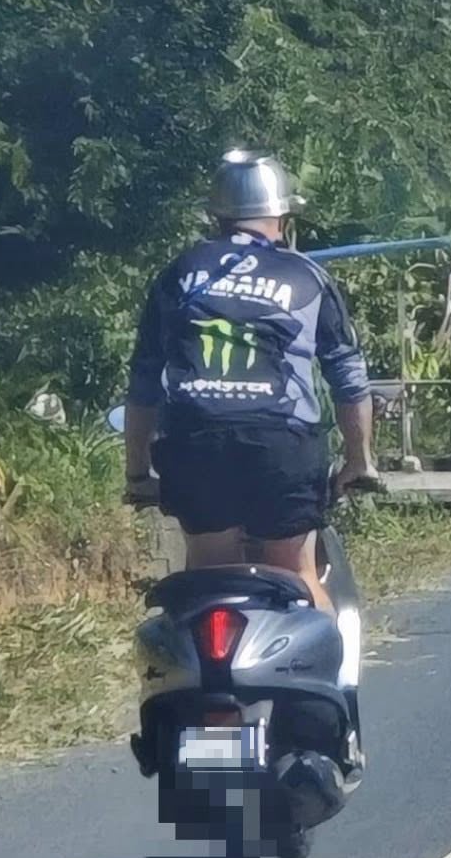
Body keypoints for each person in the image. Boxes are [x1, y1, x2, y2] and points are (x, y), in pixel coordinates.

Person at [123, 149, 378, 614]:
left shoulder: (180, 272)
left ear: (217, 215)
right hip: (282, 444)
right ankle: (328, 687)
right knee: (295, 572)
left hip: (195, 442)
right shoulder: (307, 274)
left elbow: (143, 381)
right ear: (282, 215)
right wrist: (359, 462)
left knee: (208, 566)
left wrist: (138, 472)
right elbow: (348, 376)